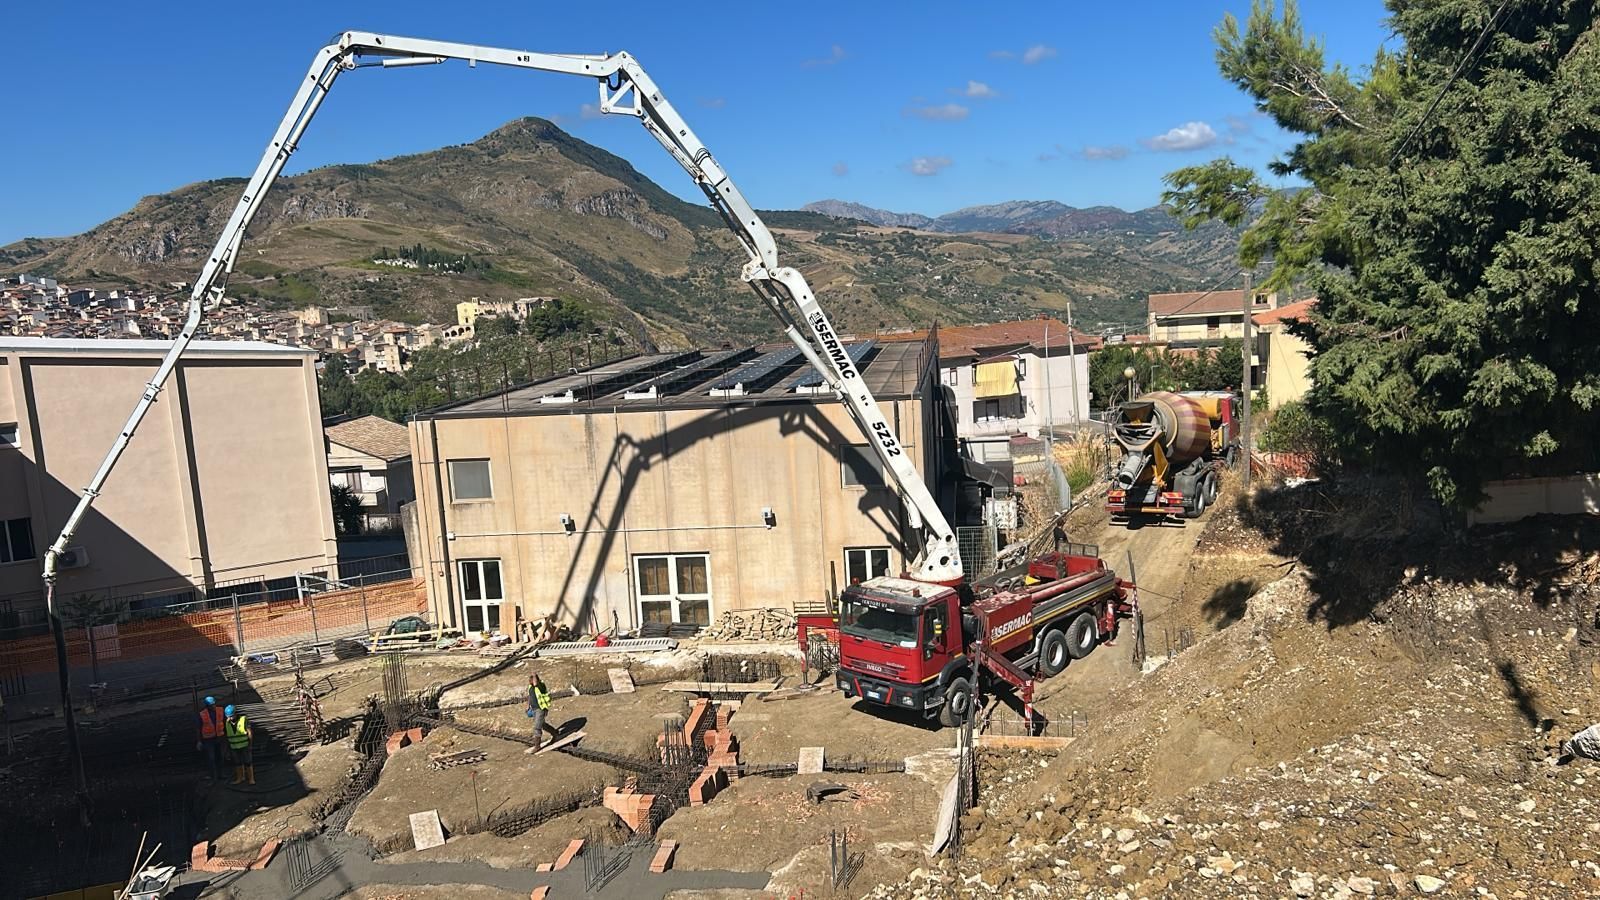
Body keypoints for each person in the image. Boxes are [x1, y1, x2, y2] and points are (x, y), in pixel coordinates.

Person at [527, 672, 559, 750]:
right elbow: (529, 697)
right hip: (534, 709)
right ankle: (554, 732)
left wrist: (534, 675)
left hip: (540, 709)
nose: (530, 681)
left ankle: (537, 746)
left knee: (537, 727)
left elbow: (535, 684)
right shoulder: (530, 687)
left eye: (532, 679)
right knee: (542, 725)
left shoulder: (540, 686)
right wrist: (528, 706)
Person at [196, 695, 225, 780]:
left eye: (214, 704)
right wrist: (199, 741)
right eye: (211, 705)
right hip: (208, 740)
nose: (213, 706)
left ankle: (220, 774)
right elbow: (198, 728)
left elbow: (224, 722)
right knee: (211, 758)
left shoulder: (220, 710)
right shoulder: (202, 714)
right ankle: (213, 776)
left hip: (219, 737)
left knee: (220, 757)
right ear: (207, 706)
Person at [224, 703, 254, 785]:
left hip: (244, 745)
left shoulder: (243, 720)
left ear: (235, 714)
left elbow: (250, 733)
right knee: (237, 763)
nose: (230, 718)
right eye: (228, 716)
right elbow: (227, 736)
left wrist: (250, 745)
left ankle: (251, 779)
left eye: (231, 716)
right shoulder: (227, 723)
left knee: (248, 762)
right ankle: (240, 778)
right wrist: (227, 748)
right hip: (234, 747)